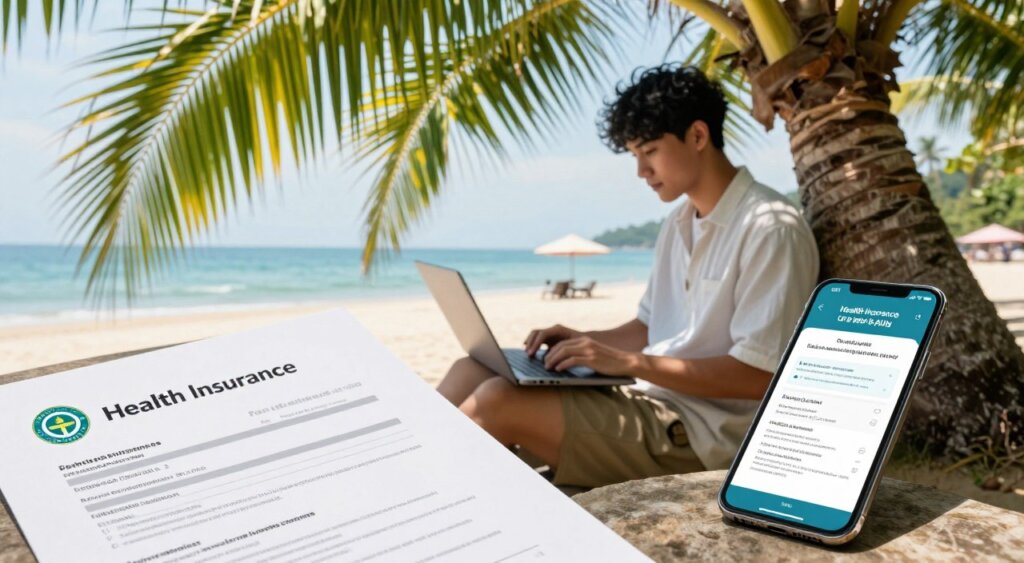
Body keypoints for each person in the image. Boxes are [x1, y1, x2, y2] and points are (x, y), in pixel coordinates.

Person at [437, 64, 820, 488]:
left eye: (650, 151)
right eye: (635, 155)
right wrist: (584, 341)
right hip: (649, 402)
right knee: (471, 369)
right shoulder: (679, 223)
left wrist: (628, 363)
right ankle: (393, 488)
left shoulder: (769, 227)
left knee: (497, 401)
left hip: (700, 434)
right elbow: (648, 327)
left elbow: (761, 375)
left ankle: (412, 504)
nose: (641, 171)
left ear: (697, 136)